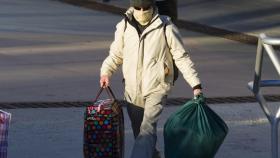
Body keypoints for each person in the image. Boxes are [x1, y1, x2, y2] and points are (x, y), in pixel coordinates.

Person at [99, 0, 202, 157]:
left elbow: (181, 57)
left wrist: (195, 84)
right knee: (140, 134)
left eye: (145, 7)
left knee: (147, 129)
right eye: (138, 7)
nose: (141, 11)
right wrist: (106, 72)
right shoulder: (124, 26)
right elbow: (116, 54)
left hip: (157, 87)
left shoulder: (165, 26)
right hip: (132, 91)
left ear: (152, 5)